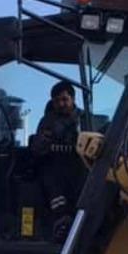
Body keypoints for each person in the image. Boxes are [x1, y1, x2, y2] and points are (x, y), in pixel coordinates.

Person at [29, 81, 84, 240]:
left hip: (80, 165)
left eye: (65, 99)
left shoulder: (85, 119)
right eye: (57, 100)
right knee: (51, 179)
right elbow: (37, 150)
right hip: (53, 166)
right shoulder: (47, 121)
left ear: (72, 99)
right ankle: (61, 221)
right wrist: (44, 140)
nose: (61, 104)